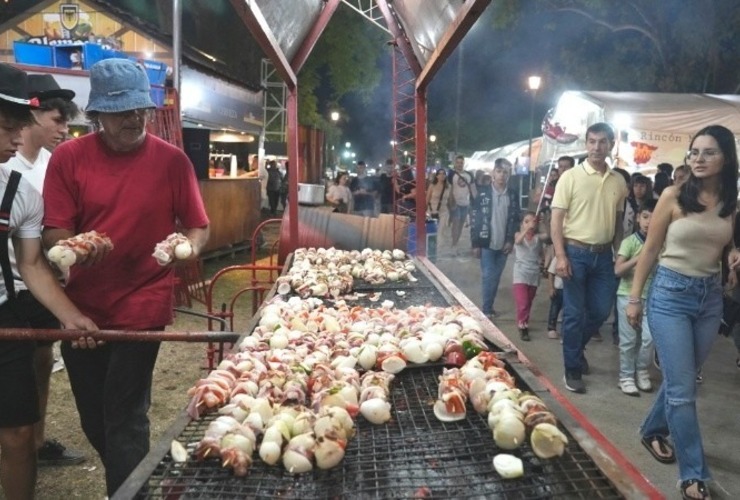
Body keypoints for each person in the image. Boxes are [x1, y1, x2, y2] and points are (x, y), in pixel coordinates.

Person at [41, 58, 210, 496]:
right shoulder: (68, 157)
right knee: (94, 419)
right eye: (122, 111)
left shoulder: (172, 161)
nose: (135, 119)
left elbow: (197, 224)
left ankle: (128, 493)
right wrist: (77, 248)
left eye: (141, 109)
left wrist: (184, 248)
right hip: (81, 303)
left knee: (126, 412)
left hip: (144, 300)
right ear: (97, 114)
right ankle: (133, 479)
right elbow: (54, 233)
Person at [0, 63, 98, 500]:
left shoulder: (20, 191)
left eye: (20, 128)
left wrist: (71, 316)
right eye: (6, 128)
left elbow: (33, 264)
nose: (17, 140)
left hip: (5, 315)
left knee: (19, 432)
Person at [626, 125, 738, 500]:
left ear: (726, 158)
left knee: (682, 381)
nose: (700, 159)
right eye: (695, 152)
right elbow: (650, 250)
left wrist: (731, 254)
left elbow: (722, 242)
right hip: (670, 296)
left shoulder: (730, 201)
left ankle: (651, 430)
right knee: (684, 391)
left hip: (709, 300)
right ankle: (693, 473)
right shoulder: (673, 196)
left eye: (709, 152)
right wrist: (635, 297)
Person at [550, 122, 628, 394]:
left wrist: (620, 252)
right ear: (586, 144)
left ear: (611, 145)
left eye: (603, 142)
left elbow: (618, 223)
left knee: (600, 310)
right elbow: (556, 219)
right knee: (572, 313)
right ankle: (571, 368)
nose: (597, 147)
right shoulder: (570, 177)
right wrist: (560, 256)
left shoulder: (619, 180)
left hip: (604, 256)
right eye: (592, 141)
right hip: (575, 253)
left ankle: (576, 347)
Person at [614, 199, 656, 396]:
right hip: (627, 296)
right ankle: (626, 376)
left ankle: (642, 371)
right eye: (646, 217)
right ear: (638, 218)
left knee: (649, 339)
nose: (649, 222)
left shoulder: (661, 244)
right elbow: (618, 270)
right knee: (629, 340)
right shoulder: (629, 242)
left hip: (654, 298)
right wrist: (639, 258)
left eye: (654, 218)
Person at [471, 159, 519, 318]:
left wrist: (510, 240)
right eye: (499, 171)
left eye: (505, 172)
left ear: (509, 175)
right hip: (486, 243)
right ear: (493, 173)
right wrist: (475, 243)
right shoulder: (483, 192)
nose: (502, 175)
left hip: (503, 244)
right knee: (488, 276)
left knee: (496, 277)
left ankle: (489, 306)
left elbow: (515, 218)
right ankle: (486, 309)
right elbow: (475, 218)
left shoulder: (512, 194)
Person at [512, 211, 545, 341]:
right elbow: (518, 241)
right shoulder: (518, 235)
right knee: (523, 302)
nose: (530, 224)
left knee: (528, 302)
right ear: (521, 224)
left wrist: (542, 223)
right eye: (526, 221)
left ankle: (524, 321)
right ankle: (522, 325)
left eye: (532, 221)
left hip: (534, 273)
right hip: (520, 272)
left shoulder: (538, 238)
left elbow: (547, 235)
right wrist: (526, 229)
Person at [448, 155, 475, 253]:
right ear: (455, 163)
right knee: (455, 224)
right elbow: (449, 189)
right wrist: (451, 202)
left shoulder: (469, 175)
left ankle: (455, 244)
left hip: (465, 203)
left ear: (464, 163)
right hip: (456, 203)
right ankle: (453, 245)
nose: (459, 164)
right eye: (458, 162)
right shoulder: (451, 175)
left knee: (460, 226)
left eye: (461, 163)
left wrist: (476, 200)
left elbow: (473, 189)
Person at [426, 168, 450, 232]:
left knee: (442, 232)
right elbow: (427, 199)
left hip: (444, 212)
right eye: (440, 174)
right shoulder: (432, 186)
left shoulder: (449, 187)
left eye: (444, 174)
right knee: (432, 232)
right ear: (437, 176)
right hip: (432, 212)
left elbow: (450, 201)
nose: (442, 175)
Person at [546, 255, 563, 339]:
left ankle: (565, 330)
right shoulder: (557, 258)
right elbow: (551, 273)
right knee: (554, 309)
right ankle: (551, 327)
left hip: (571, 290)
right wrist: (551, 288)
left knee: (568, 311)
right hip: (558, 288)